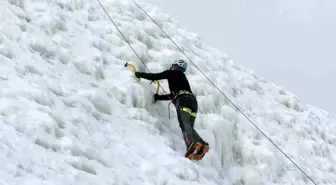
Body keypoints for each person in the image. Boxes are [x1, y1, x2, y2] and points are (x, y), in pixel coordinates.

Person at [135, 59, 209, 160]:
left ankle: (191, 144)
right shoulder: (183, 78)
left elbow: (155, 76)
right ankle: (201, 144)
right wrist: (159, 97)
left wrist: (140, 74)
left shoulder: (171, 72)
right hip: (193, 102)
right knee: (189, 127)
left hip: (183, 101)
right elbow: (172, 95)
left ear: (175, 66)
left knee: (184, 124)